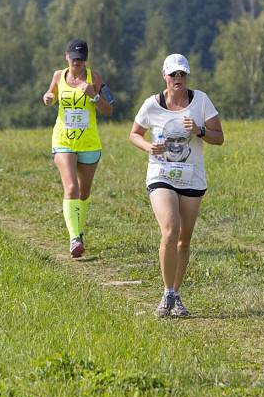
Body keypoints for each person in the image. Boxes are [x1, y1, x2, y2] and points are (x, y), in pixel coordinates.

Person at [129, 54, 224, 318]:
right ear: (165, 76)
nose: (178, 79)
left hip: (191, 176)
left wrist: (199, 130)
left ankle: (177, 294)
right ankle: (167, 293)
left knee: (184, 241)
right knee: (171, 229)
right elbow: (134, 134)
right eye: (173, 75)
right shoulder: (152, 104)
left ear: (187, 76)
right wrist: (150, 146)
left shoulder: (201, 101)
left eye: (182, 74)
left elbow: (220, 138)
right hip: (161, 173)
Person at [43, 39, 114, 258]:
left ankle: (79, 231)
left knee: (84, 192)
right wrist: (47, 98)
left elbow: (109, 110)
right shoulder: (58, 76)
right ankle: (74, 238)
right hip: (63, 140)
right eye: (74, 58)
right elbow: (51, 95)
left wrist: (93, 95)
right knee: (71, 188)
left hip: (89, 143)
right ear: (66, 57)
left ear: (85, 60)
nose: (77, 63)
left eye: (81, 59)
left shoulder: (95, 77)